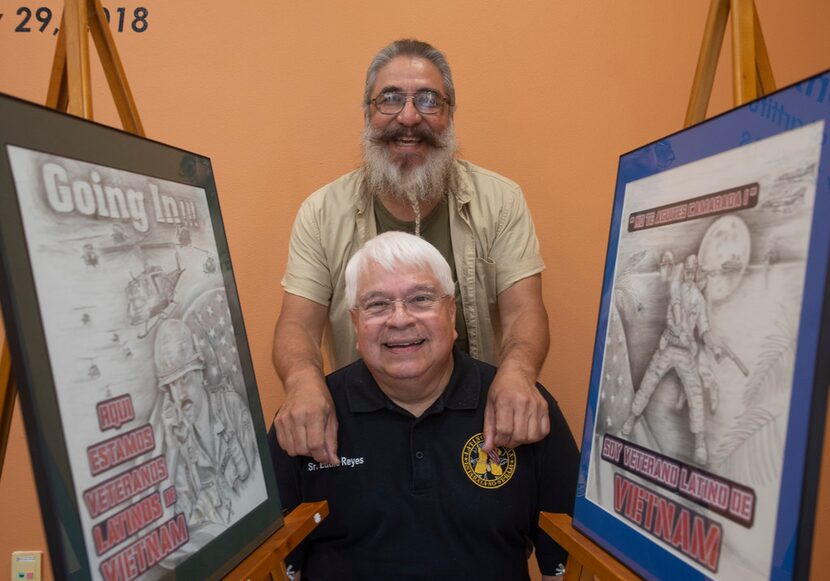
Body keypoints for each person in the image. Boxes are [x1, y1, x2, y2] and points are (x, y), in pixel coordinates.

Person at [274, 39, 551, 468]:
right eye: (390, 99)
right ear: (367, 114)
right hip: (365, 422)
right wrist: (302, 381)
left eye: (428, 100)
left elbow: (524, 312)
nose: (408, 117)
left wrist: (518, 372)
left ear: (450, 115)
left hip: (475, 425)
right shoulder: (320, 211)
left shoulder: (501, 199)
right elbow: (297, 324)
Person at [271, 232, 579, 580]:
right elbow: (278, 566)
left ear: (452, 313)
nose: (399, 319)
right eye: (377, 304)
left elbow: (567, 564)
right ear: (355, 324)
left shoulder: (522, 404)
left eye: (420, 299)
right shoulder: (307, 416)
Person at [152, 318, 257, 526]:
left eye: (184, 379)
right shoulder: (180, 444)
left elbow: (259, 486)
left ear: (200, 373)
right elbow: (169, 525)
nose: (180, 394)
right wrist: (172, 452)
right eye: (172, 386)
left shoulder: (230, 408)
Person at [620, 253, 722, 465]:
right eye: (687, 269)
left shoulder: (699, 300)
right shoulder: (677, 287)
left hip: (684, 353)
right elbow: (675, 313)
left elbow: (704, 328)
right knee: (648, 383)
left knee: (695, 394)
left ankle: (700, 443)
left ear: (696, 272)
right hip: (668, 346)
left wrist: (714, 346)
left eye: (693, 270)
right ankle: (630, 420)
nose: (689, 273)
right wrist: (684, 334)